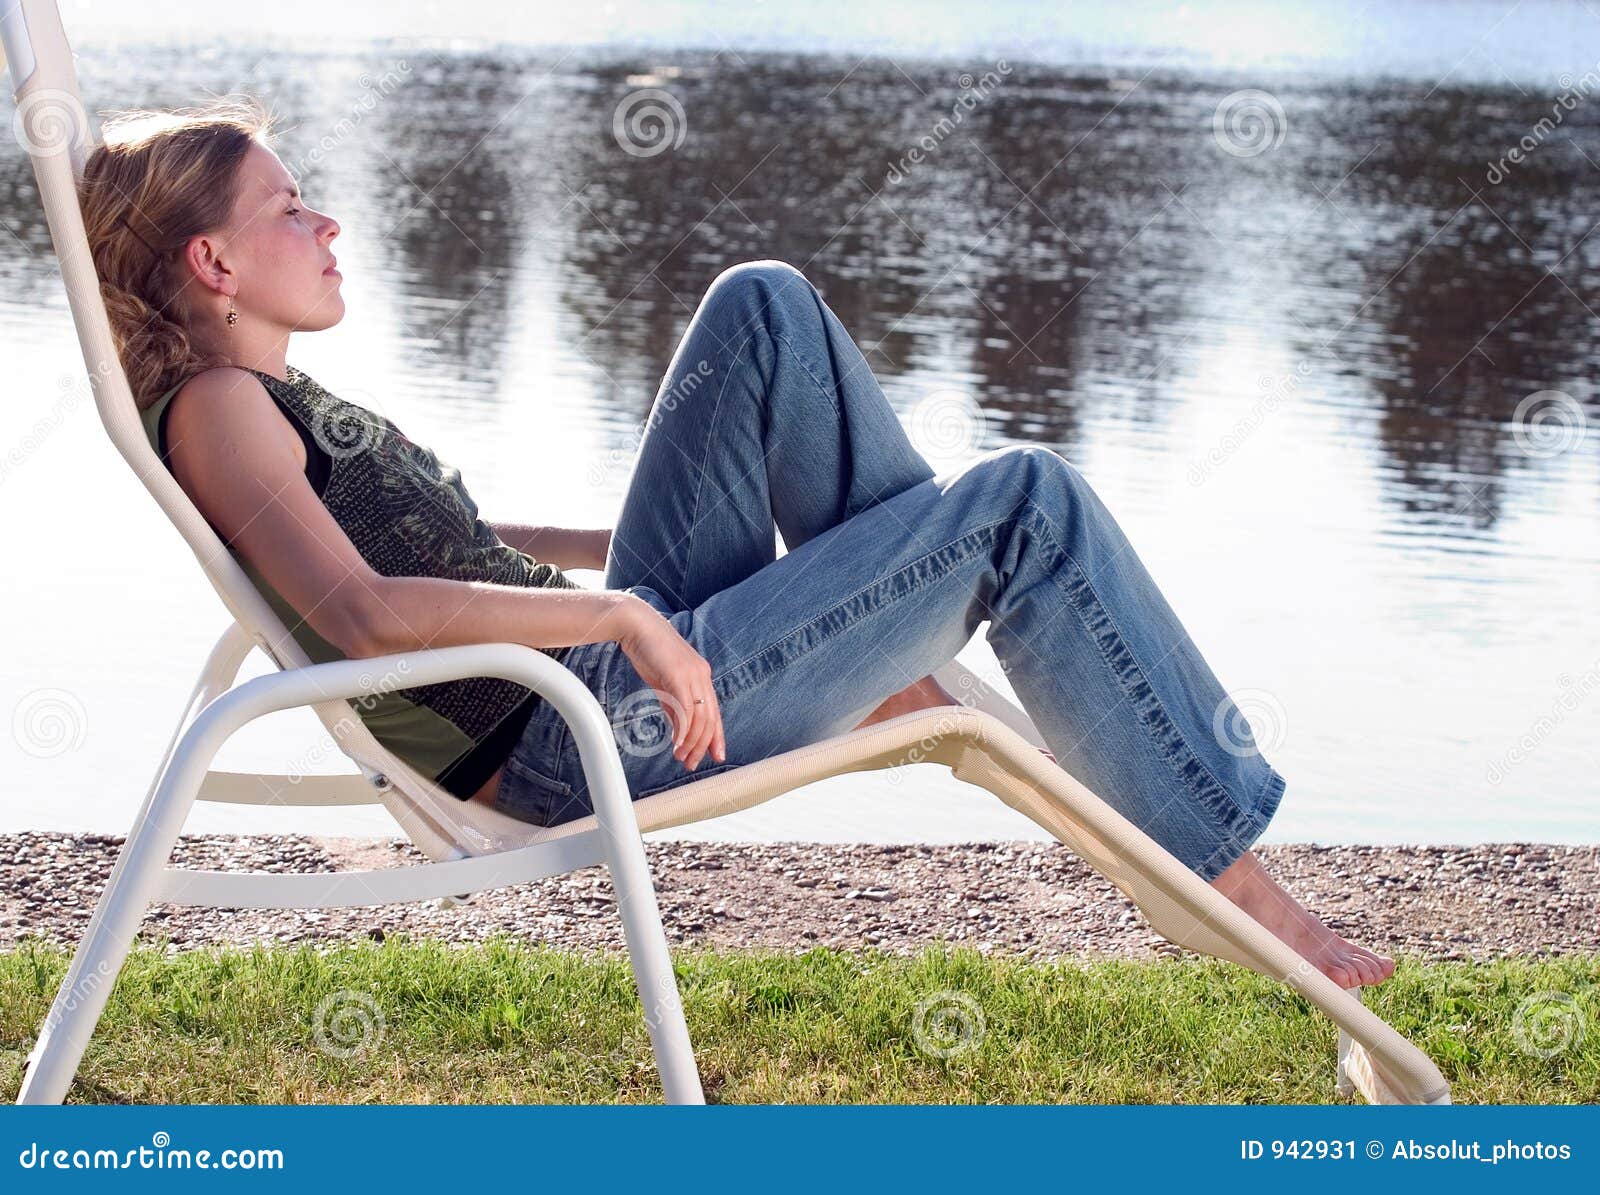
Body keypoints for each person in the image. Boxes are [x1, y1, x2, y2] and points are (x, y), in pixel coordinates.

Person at [81, 96, 1393, 990]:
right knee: (1023, 507)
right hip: (574, 735)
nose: (329, 226)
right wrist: (621, 616)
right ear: (213, 261)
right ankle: (1239, 890)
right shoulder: (220, 410)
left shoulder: (268, 404)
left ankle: (902, 643)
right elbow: (364, 618)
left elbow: (463, 554)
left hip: (591, 679)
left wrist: (639, 577)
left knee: (760, 307)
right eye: (291, 209)